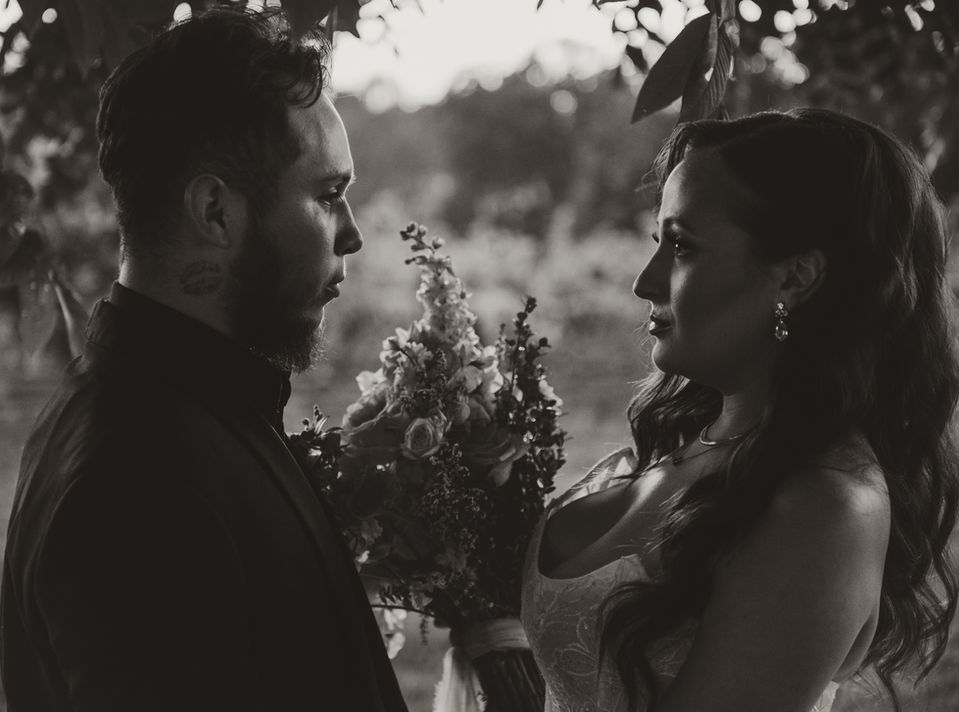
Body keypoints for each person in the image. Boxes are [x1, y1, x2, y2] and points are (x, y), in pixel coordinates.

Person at [0, 8, 408, 711]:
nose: (353, 235)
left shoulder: (198, 408)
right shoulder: (132, 483)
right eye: (327, 196)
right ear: (216, 211)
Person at [521, 108, 959, 712]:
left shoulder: (825, 506)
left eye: (682, 246)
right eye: (658, 243)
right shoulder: (694, 439)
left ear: (796, 277)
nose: (644, 281)